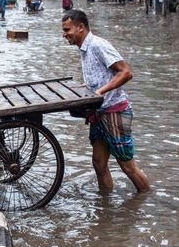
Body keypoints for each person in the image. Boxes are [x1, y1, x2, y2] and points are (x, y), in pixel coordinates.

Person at [60, 10, 150, 193]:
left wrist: (100, 91)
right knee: (99, 163)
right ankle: (105, 206)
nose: (65, 35)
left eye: (67, 30)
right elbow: (98, 77)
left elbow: (125, 72)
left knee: (127, 166)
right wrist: (84, 88)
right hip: (100, 112)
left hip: (114, 110)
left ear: (81, 27)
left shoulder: (98, 45)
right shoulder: (84, 49)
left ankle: (146, 198)